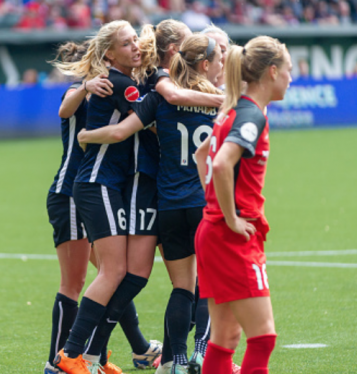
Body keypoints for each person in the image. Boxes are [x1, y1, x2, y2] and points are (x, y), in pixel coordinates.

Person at [78, 33, 224, 374]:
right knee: (209, 285)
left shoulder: (158, 100)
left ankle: (175, 362)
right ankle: (201, 355)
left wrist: (86, 134)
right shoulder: (217, 99)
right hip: (204, 204)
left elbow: (119, 132)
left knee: (182, 288)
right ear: (204, 64)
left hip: (169, 205)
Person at [52, 20, 152, 374]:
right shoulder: (120, 84)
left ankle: (92, 355)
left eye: (136, 40)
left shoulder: (122, 81)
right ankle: (71, 355)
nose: (136, 47)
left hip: (103, 185)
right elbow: (149, 122)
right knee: (110, 272)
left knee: (114, 272)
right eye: (127, 44)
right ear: (109, 52)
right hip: (97, 184)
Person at [193, 36, 292, 374]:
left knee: (225, 337)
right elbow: (219, 164)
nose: (291, 79)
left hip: (212, 231)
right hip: (231, 237)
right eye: (288, 71)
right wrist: (231, 217)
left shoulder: (232, 112)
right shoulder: (251, 115)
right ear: (273, 71)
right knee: (262, 338)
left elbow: (201, 154)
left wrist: (216, 206)